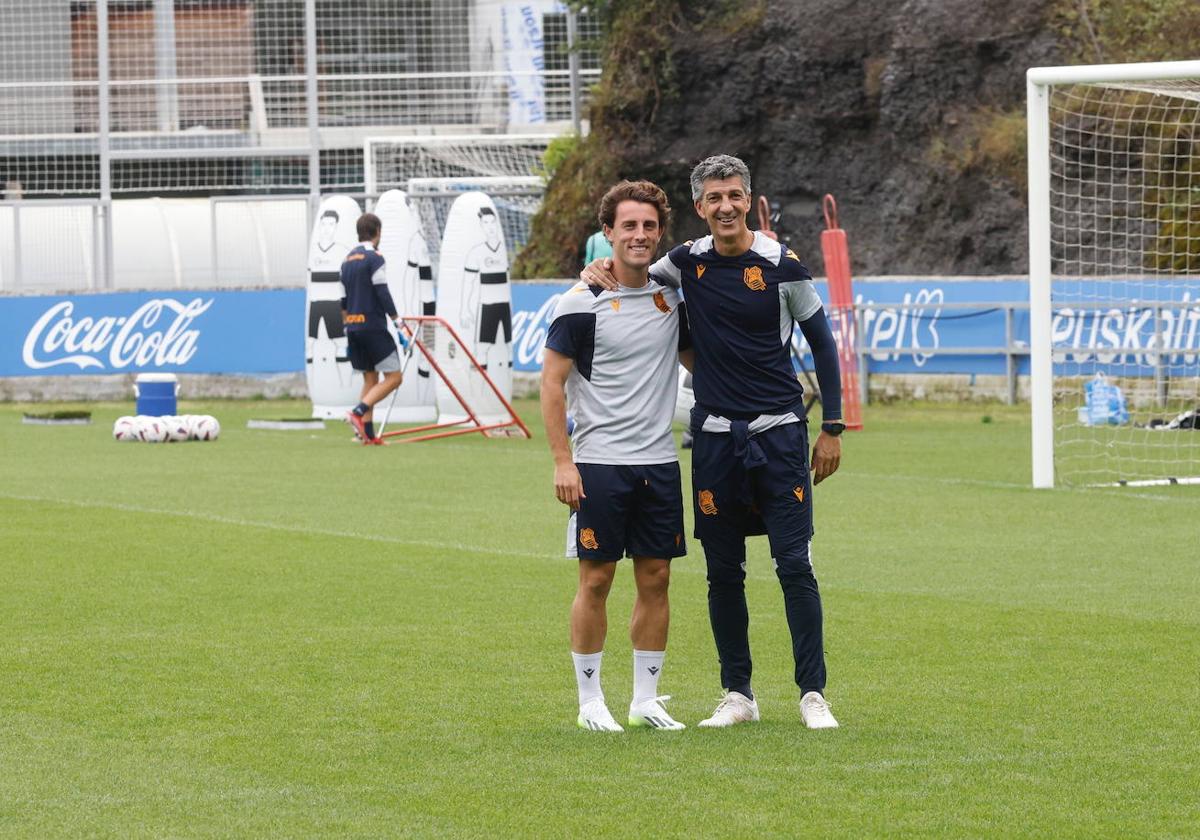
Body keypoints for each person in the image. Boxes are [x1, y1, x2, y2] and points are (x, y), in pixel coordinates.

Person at [582, 155, 845, 729]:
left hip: (780, 435)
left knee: (794, 565)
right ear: (699, 207)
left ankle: (812, 694)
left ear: (748, 199)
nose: (725, 207)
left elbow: (823, 344)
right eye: (714, 198)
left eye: (734, 195)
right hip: (715, 440)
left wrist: (832, 427)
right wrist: (595, 268)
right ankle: (738, 694)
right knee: (723, 571)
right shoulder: (685, 262)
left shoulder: (782, 265)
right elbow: (633, 269)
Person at [541, 180, 694, 732]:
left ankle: (645, 700)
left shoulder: (673, 297)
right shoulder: (579, 303)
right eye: (628, 225)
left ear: (660, 232)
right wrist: (563, 461)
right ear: (608, 232)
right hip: (599, 464)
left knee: (656, 578)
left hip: (659, 463)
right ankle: (589, 702)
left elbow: (700, 360)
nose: (640, 235)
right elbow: (551, 384)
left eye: (649, 226)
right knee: (597, 580)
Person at [341, 212, 405, 445]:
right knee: (395, 377)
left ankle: (366, 435)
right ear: (378, 231)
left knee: (370, 380)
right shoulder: (375, 258)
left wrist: (348, 327)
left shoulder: (346, 261)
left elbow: (343, 300)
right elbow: (382, 291)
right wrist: (397, 320)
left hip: (353, 327)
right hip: (373, 327)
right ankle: (358, 412)